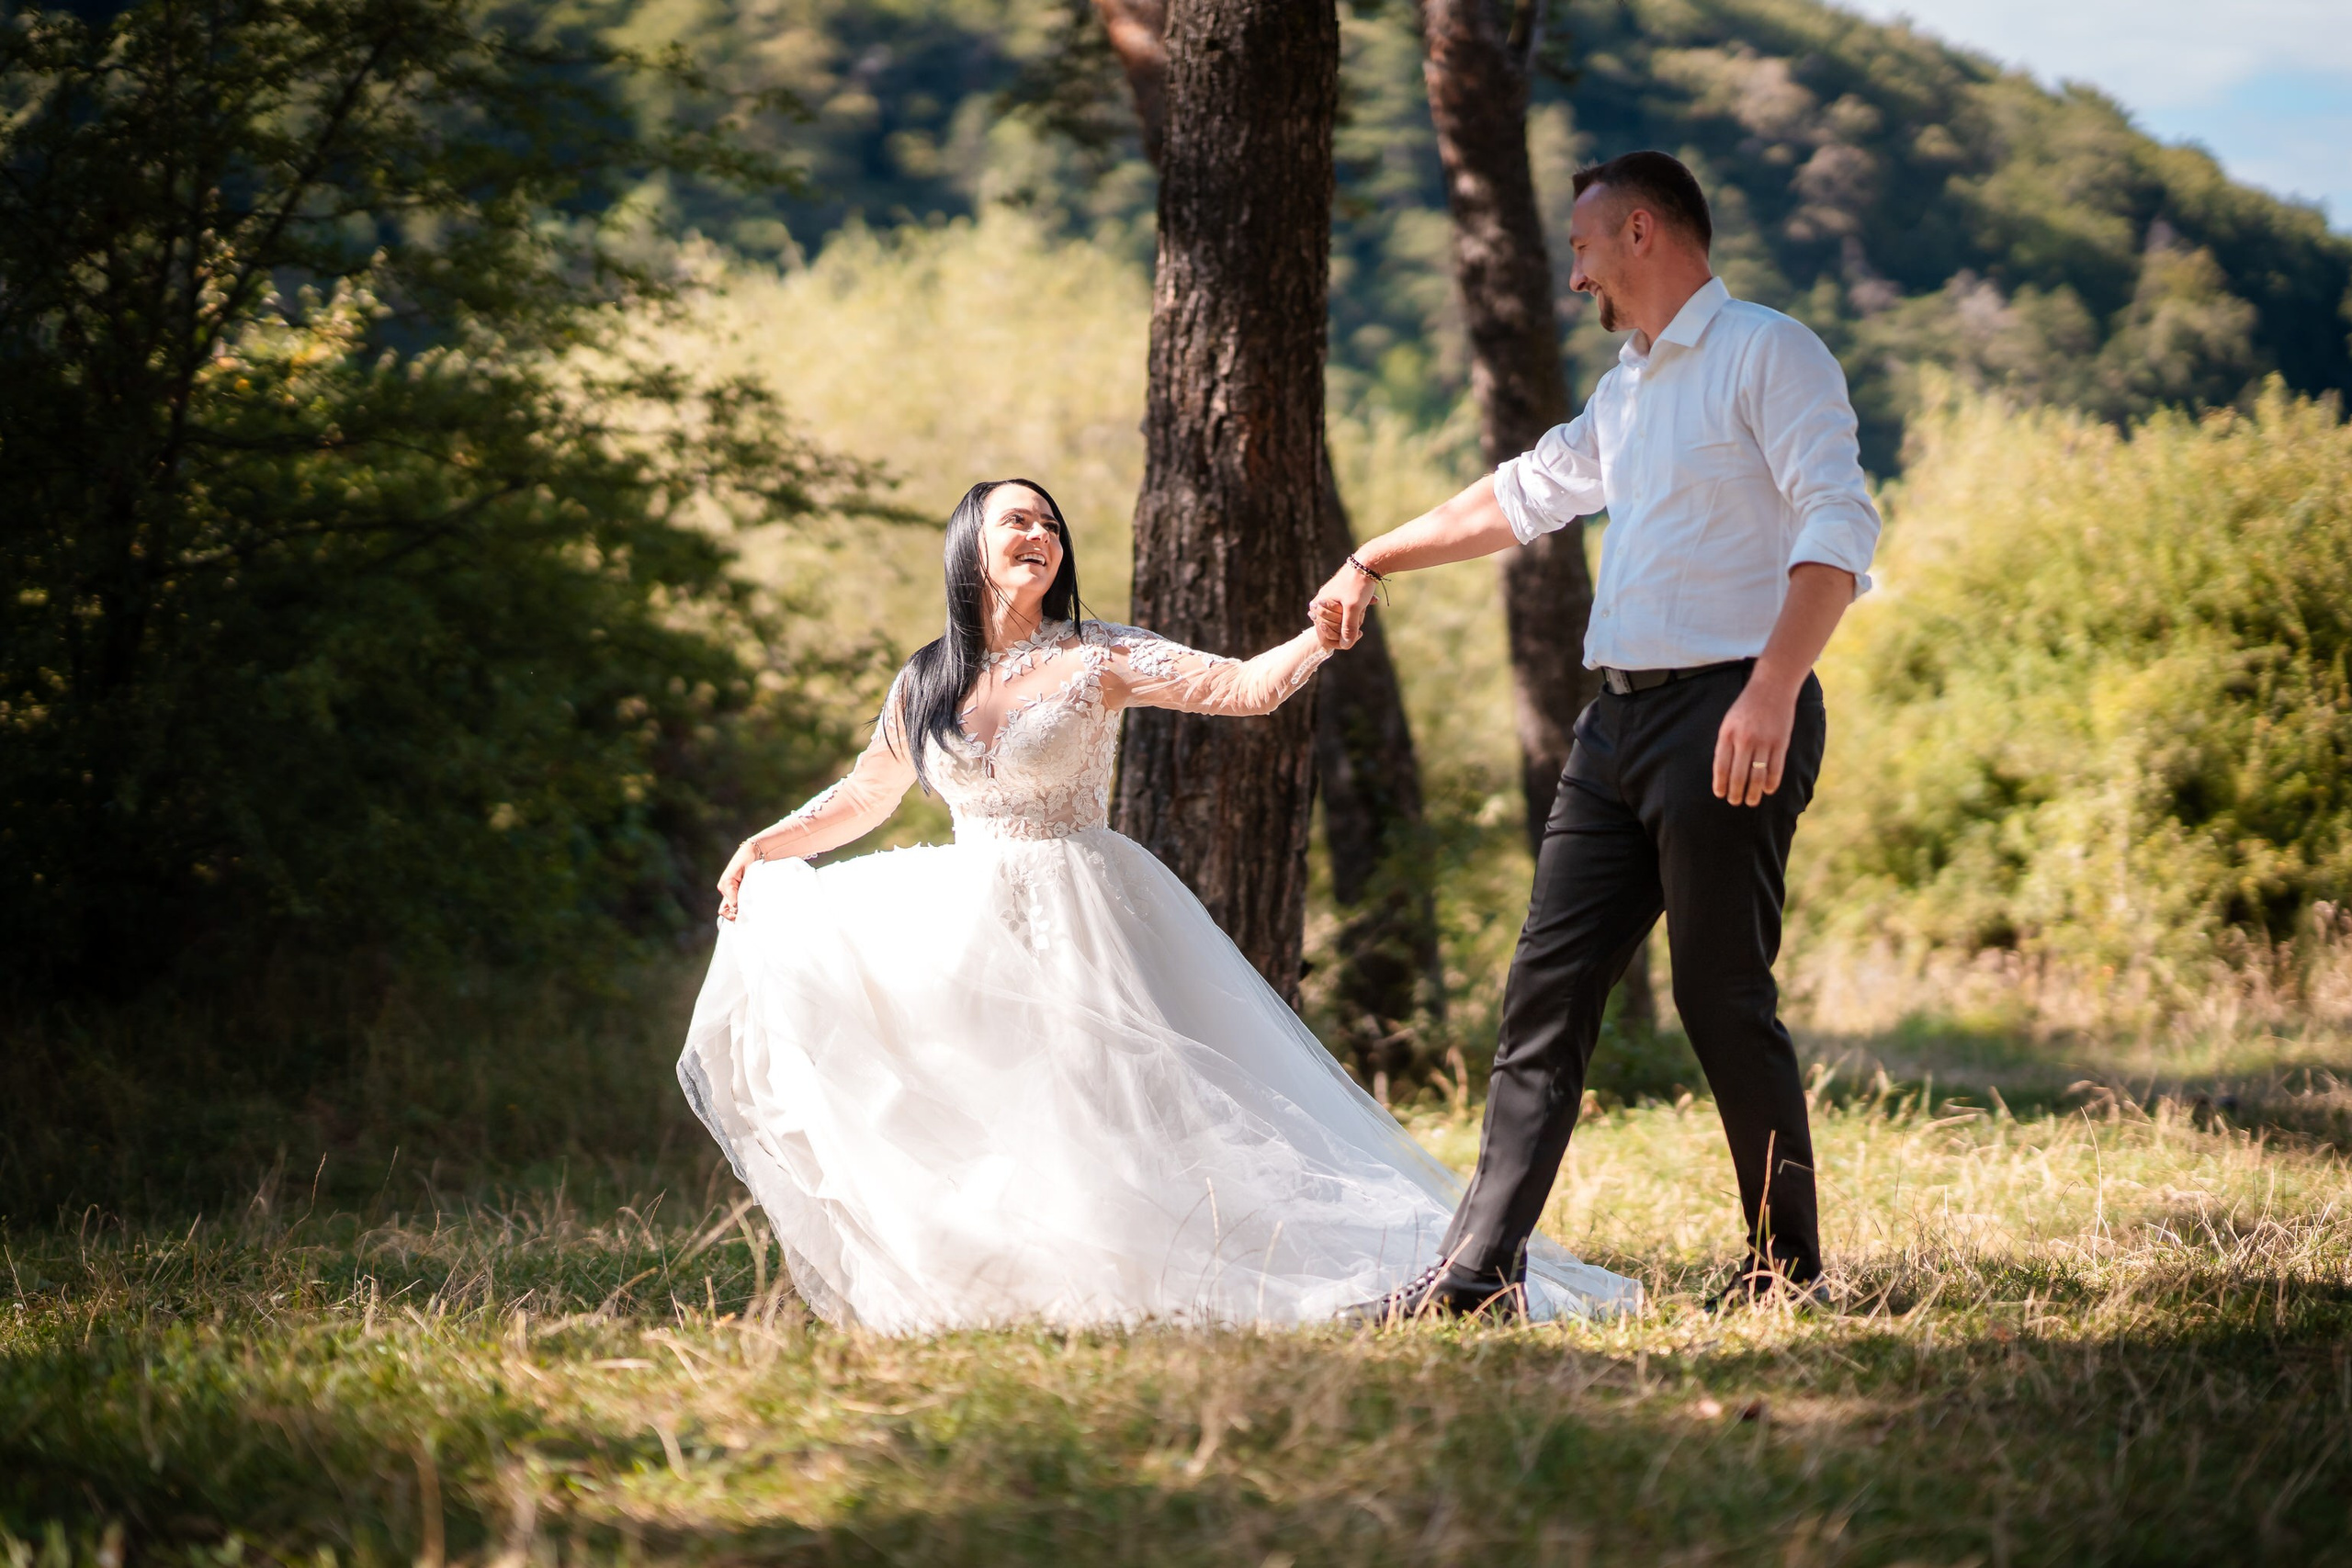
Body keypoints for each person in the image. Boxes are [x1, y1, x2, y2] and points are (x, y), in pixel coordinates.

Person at [677, 477, 1640, 1332]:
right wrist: (764, 845)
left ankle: (1181, 1258)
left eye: (1051, 525)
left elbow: (1242, 689)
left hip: (1078, 908)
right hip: (965, 919)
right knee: (992, 1101)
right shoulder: (924, 678)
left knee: (1108, 1098)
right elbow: (865, 795)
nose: (1040, 535)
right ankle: (1021, 1271)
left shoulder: (1099, 655)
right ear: (967, 543)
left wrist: (1323, 633)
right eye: (1017, 520)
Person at [1314, 151, 1883, 1318]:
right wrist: (1373, 555)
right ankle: (1476, 1275)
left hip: (1732, 710)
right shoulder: (1624, 393)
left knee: (1721, 996)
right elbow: (1513, 496)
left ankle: (1786, 1270)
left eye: (1580, 250)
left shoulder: (1769, 353)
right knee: (1543, 995)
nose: (1574, 278)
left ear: (1638, 231)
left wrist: (1773, 688)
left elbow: (1837, 521)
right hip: (1614, 726)